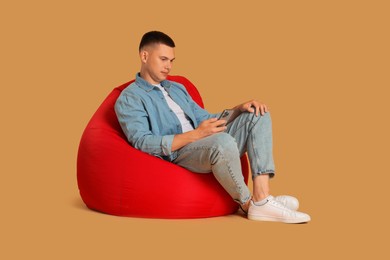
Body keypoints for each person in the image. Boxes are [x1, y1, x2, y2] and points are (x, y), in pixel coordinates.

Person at [115, 31, 311, 223]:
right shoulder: (130, 97)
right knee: (222, 142)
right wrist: (196, 134)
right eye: (164, 59)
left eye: (172, 61)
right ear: (144, 56)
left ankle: (262, 197)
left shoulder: (176, 88)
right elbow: (142, 142)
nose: (168, 67)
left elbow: (206, 118)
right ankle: (248, 204)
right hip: (178, 153)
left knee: (258, 114)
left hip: (203, 139)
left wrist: (238, 109)